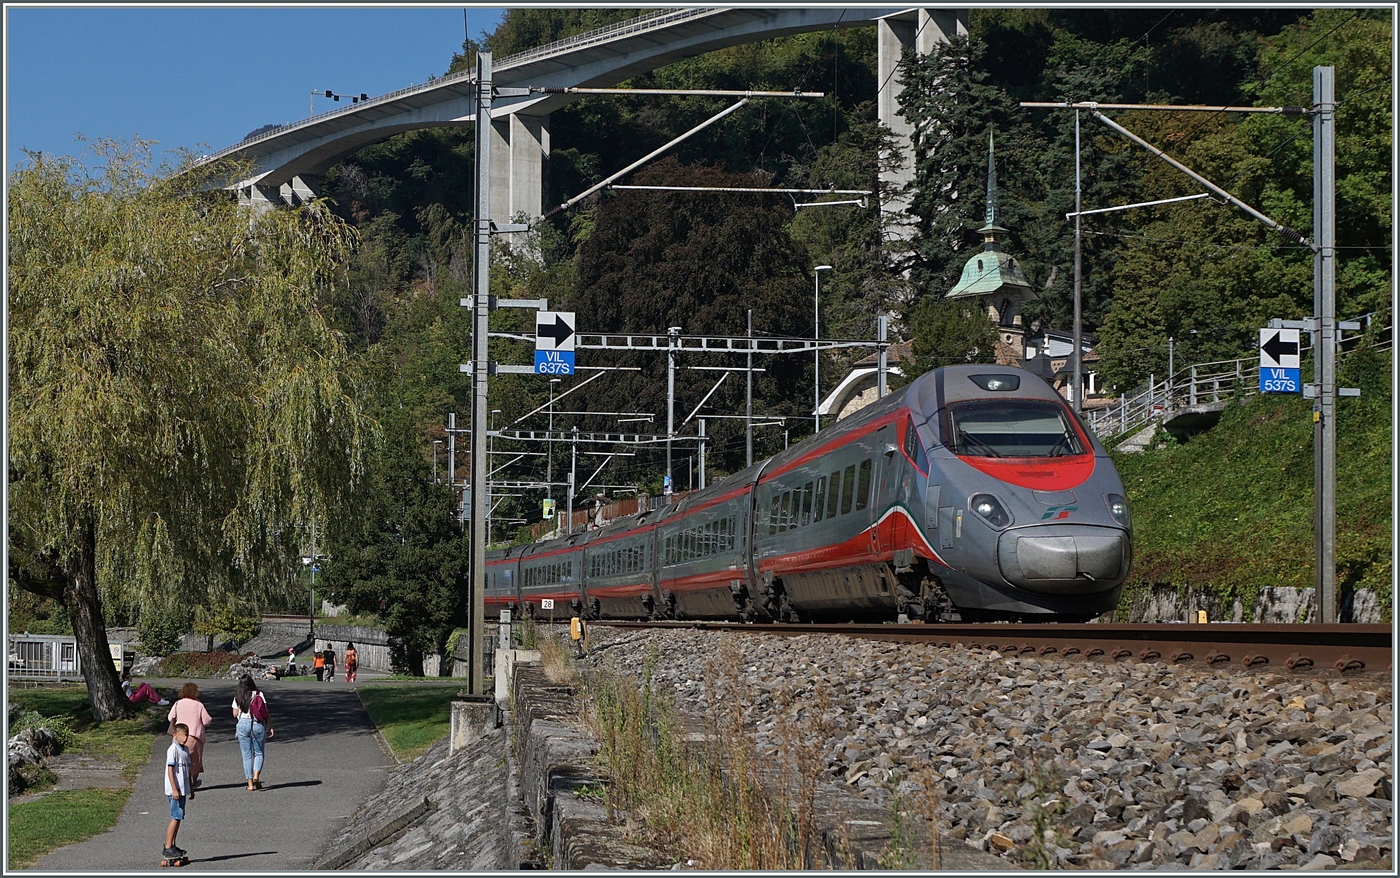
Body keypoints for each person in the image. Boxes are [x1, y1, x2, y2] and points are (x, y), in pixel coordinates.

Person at [167, 683, 212, 793]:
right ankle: (193, 782)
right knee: (194, 760)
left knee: (178, 760)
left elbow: (170, 717)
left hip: (178, 736)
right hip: (194, 736)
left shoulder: (178, 703)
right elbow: (207, 721)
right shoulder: (198, 705)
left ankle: (178, 783)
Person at [232, 674, 273, 791]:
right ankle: (256, 775)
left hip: (243, 724)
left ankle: (250, 784)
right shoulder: (259, 694)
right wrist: (270, 726)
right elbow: (265, 711)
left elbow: (235, 714)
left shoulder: (238, 696)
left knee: (246, 755)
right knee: (259, 752)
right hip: (258, 724)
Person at [163, 722, 192, 864]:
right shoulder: (172, 750)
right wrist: (174, 789)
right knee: (175, 816)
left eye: (186, 735)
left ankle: (173, 844)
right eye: (182, 735)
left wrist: (191, 788)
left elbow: (188, 772)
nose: (185, 738)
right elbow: (170, 770)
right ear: (175, 735)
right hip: (175, 790)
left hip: (183, 789)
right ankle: (168, 846)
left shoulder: (186, 750)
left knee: (179, 817)